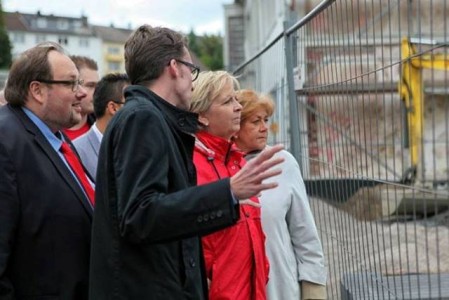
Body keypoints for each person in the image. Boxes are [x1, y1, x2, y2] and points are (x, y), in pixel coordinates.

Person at [89, 25, 284, 300]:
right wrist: (227, 191)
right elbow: (139, 216)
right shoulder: (142, 118)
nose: (193, 80)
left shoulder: (152, 118)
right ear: (173, 67)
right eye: (191, 69)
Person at [0, 42, 94, 299]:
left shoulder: (58, 139)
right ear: (38, 90)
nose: (82, 93)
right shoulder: (6, 142)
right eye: (72, 83)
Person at [234, 89, 327, 300]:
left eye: (266, 120)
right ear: (235, 126)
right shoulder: (221, 169)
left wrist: (313, 287)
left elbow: (304, 232)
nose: (264, 128)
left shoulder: (283, 162)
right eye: (255, 121)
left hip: (281, 286)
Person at [190, 71, 269, 300]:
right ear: (202, 115)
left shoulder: (239, 162)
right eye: (227, 101)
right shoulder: (190, 166)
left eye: (236, 99)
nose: (238, 108)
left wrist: (264, 270)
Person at [73, 73, 129, 178]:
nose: (139, 110)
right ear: (113, 108)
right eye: (131, 103)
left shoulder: (134, 147)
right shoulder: (75, 152)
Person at [63, 55, 100, 140]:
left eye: (98, 86)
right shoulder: (48, 131)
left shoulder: (104, 129)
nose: (98, 92)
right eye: (90, 85)